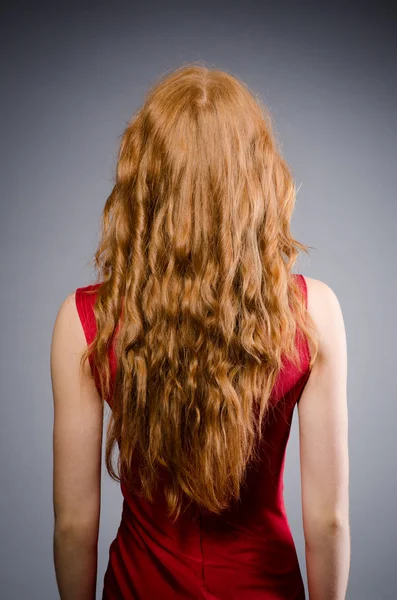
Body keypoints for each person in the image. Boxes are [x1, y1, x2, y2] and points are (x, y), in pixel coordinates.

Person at [51, 64, 350, 599]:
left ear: (142, 179)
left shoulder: (84, 322)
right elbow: (328, 521)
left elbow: (75, 526)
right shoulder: (313, 313)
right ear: (257, 177)